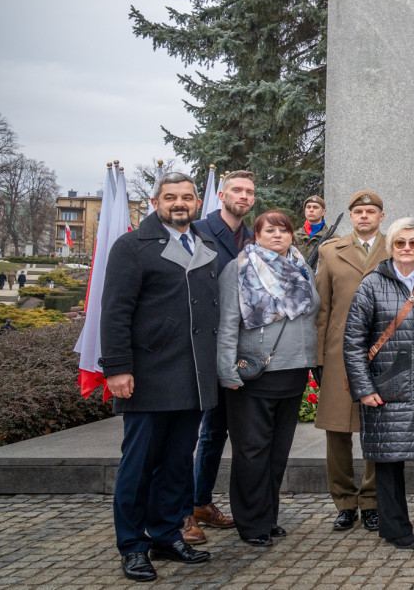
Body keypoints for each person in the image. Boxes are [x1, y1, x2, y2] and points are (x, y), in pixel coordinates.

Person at [99, 172, 220, 582]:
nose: (180, 203)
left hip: (192, 378)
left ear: (197, 204)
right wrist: (116, 367)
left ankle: (166, 534)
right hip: (147, 375)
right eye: (171, 197)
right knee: (139, 465)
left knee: (175, 465)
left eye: (187, 197)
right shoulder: (132, 246)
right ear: (156, 202)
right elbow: (114, 311)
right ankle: (133, 545)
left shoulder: (204, 248)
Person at [343, 217, 414, 550]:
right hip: (388, 386)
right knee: (389, 461)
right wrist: (364, 388)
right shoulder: (372, 284)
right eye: (399, 243)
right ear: (390, 246)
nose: (406, 248)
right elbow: (353, 341)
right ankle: (394, 527)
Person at [215, 210, 319, 547]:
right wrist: (226, 368)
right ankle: (251, 522)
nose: (277, 235)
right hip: (255, 373)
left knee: (277, 452)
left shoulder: (302, 268)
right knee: (252, 451)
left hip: (293, 371)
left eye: (283, 230)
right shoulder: (239, 268)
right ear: (256, 235)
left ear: (292, 235)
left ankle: (267, 514)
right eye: (269, 230)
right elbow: (229, 321)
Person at [185, 170, 257, 542]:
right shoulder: (198, 231)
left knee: (217, 431)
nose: (243, 197)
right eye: (237, 191)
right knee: (186, 434)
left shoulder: (253, 236)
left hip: (236, 345)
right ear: (221, 195)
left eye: (249, 192)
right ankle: (184, 512)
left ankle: (200, 502)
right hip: (200, 343)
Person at [315, 191, 388, 532]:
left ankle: (372, 501)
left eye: (370, 211)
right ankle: (344, 502)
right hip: (339, 352)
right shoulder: (330, 251)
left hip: (383, 351)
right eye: (358, 211)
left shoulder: (395, 248)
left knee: (377, 426)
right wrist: (319, 356)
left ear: (381, 216)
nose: (363, 216)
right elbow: (323, 307)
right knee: (337, 430)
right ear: (351, 215)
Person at [294, 195, 332, 270]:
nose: (311, 210)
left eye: (315, 207)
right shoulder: (293, 237)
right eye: (308, 207)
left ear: (323, 212)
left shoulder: (333, 238)